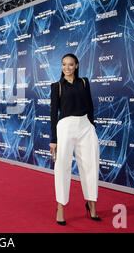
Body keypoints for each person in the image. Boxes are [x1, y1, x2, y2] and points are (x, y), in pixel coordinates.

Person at [49, 53, 101, 226]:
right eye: (64, 64)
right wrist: (53, 139)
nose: (67, 68)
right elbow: (53, 114)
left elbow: (91, 106)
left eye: (70, 64)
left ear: (77, 66)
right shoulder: (57, 86)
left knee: (91, 165)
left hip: (85, 126)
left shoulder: (84, 82)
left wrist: (92, 126)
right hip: (65, 127)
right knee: (62, 166)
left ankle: (92, 204)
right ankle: (60, 207)